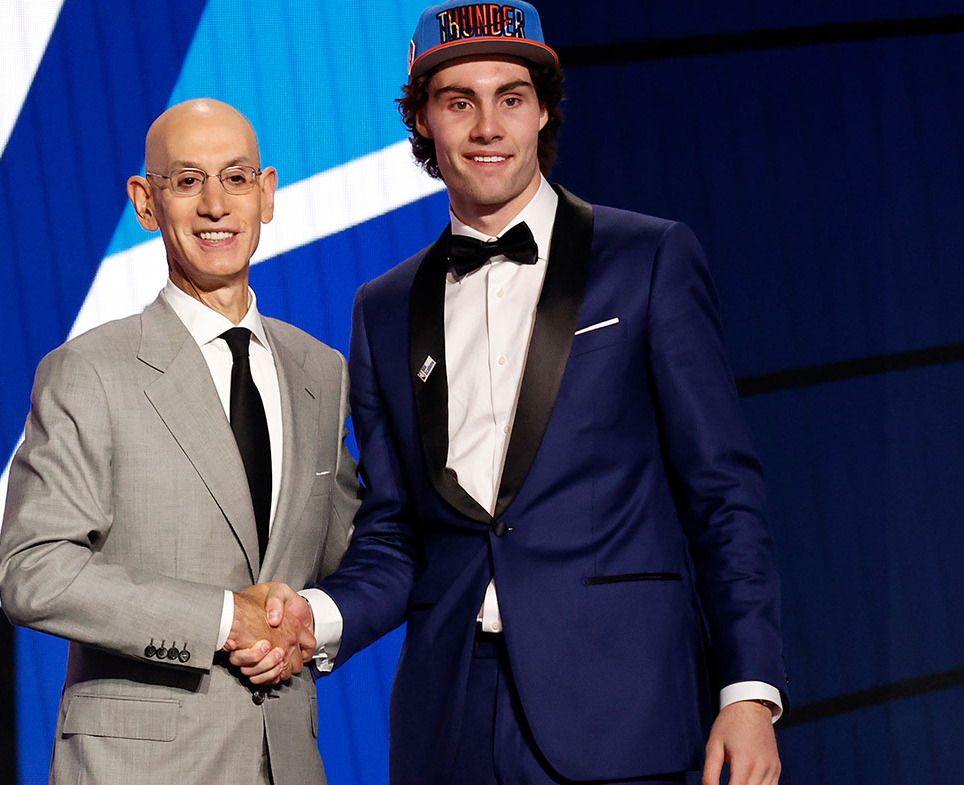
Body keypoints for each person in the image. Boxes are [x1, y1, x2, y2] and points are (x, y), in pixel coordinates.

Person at [238, 1, 788, 782]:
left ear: (542, 114)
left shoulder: (649, 258)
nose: (487, 126)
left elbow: (722, 492)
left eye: (511, 99)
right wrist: (316, 616)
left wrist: (749, 690)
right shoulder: (382, 306)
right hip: (450, 717)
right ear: (424, 121)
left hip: (623, 705)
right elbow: (395, 533)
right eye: (459, 102)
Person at [0, 98, 358, 785]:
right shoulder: (88, 371)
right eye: (188, 181)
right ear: (145, 200)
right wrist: (224, 619)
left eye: (237, 178)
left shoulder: (321, 371)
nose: (217, 205)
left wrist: (316, 618)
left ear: (269, 193)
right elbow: (33, 570)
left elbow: (348, 550)